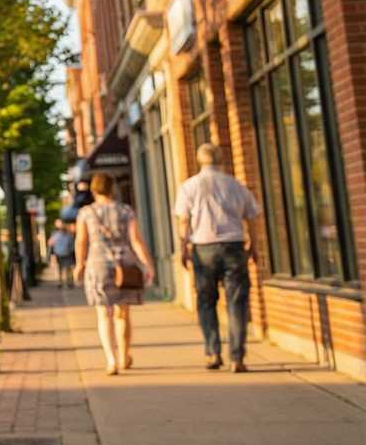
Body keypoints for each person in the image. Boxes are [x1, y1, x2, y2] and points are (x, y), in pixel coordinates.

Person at [173, 142, 262, 372]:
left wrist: (183, 247)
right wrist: (253, 242)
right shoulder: (234, 185)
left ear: (199, 160)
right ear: (220, 160)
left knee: (205, 301)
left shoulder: (189, 186)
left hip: (203, 248)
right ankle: (237, 358)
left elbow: (183, 221)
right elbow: (251, 214)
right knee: (237, 301)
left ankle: (213, 352)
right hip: (233, 246)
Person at [76, 172, 156, 375]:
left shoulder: (86, 213)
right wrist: (148, 265)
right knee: (123, 314)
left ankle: (110, 360)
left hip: (98, 265)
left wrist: (79, 264)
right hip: (125, 265)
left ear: (94, 190)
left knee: (104, 314)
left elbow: (81, 241)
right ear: (113, 189)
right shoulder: (125, 210)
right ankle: (124, 356)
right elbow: (136, 240)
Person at [50, 222, 77, 289]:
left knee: (60, 269)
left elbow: (50, 243)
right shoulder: (68, 236)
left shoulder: (56, 235)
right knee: (67, 269)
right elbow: (72, 246)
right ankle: (68, 283)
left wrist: (55, 249)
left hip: (60, 254)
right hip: (66, 254)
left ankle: (61, 282)